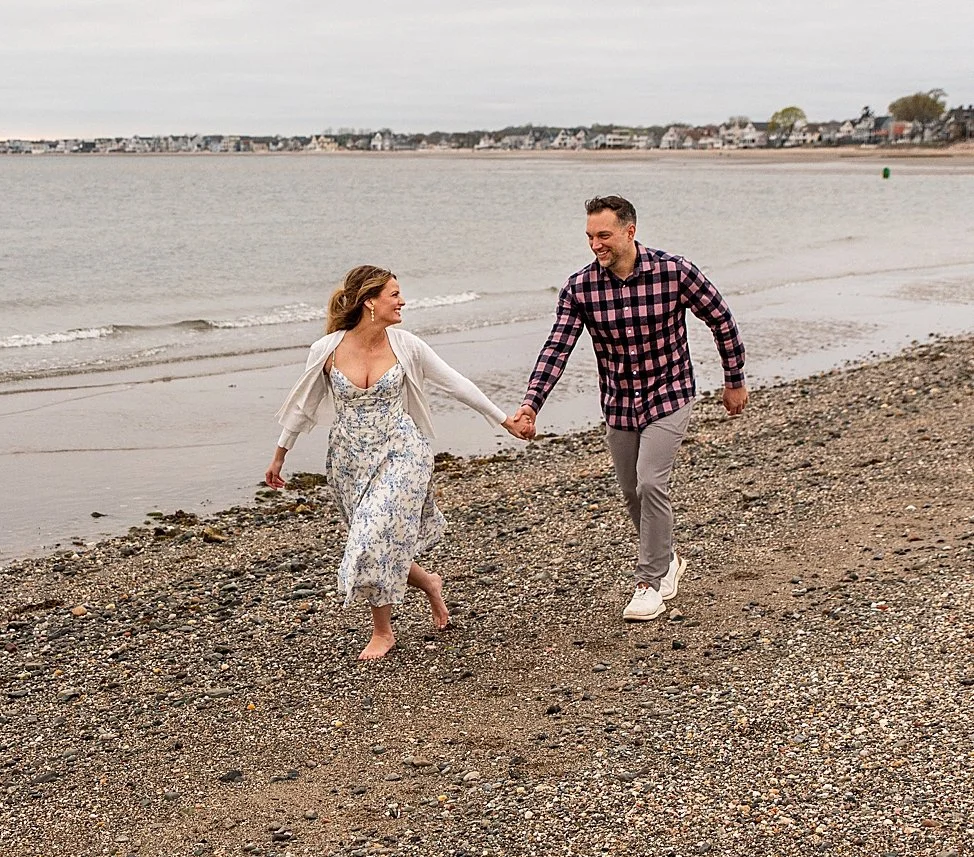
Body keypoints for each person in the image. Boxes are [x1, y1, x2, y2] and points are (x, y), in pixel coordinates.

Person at [266, 265, 528, 661]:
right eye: (394, 294)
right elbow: (304, 405)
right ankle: (430, 583)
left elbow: (456, 384)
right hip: (349, 459)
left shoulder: (407, 345)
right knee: (378, 540)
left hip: (403, 450)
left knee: (372, 537)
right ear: (369, 301)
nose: (402, 301)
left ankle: (382, 633)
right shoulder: (327, 349)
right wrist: (280, 453)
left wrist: (503, 419)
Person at [508, 196, 748, 623]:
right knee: (631, 491)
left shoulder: (674, 271)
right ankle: (668, 558)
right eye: (589, 236)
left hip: (669, 393)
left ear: (629, 231)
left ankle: (649, 582)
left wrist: (734, 379)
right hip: (619, 402)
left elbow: (721, 319)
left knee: (651, 482)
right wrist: (531, 402)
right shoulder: (580, 287)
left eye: (603, 235)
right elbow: (557, 347)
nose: (595, 244)